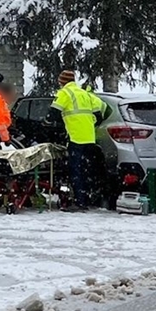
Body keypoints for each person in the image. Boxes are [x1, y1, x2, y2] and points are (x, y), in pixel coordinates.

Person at [51, 69, 106, 210]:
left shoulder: (64, 93)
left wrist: (49, 124)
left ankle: (79, 201)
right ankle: (89, 199)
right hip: (90, 138)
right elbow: (99, 115)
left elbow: (53, 114)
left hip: (75, 138)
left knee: (75, 171)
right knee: (88, 170)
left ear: (62, 81)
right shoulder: (85, 94)